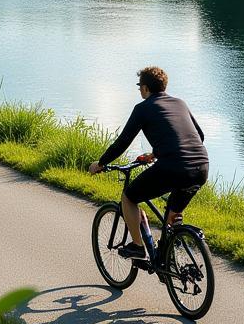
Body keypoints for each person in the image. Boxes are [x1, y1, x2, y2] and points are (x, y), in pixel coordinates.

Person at [88, 65, 208, 261]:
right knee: (172, 216)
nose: (139, 90)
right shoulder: (180, 103)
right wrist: (156, 154)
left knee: (129, 197)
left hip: (173, 168)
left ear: (145, 88)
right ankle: (172, 256)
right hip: (201, 167)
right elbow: (199, 136)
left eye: (139, 86)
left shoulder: (143, 109)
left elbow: (123, 142)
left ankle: (137, 246)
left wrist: (101, 163)